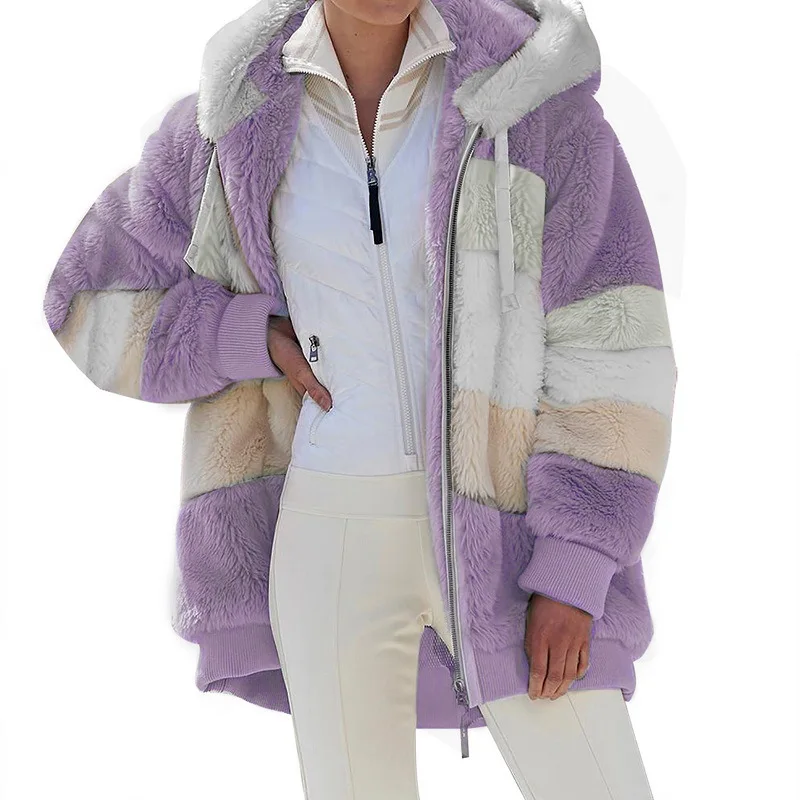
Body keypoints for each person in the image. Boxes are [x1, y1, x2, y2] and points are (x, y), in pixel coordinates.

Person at [42, 0, 677, 797]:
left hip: (511, 540)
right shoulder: (232, 118)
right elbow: (86, 302)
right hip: (330, 538)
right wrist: (245, 336)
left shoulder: (530, 96)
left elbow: (614, 342)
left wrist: (577, 562)